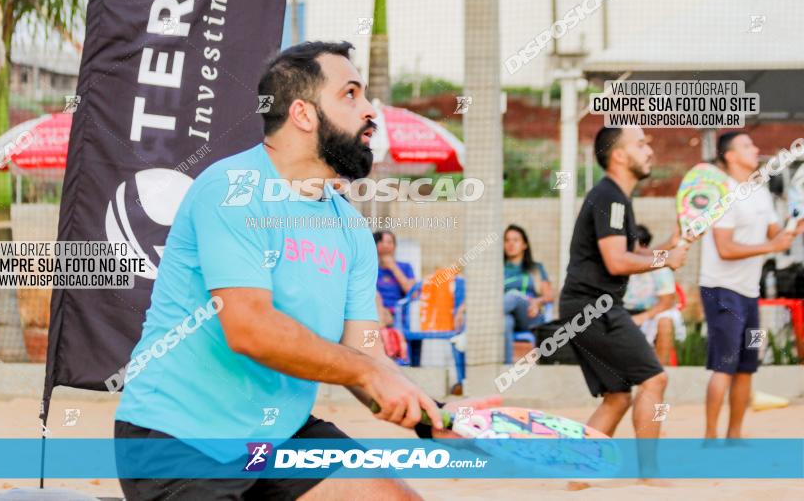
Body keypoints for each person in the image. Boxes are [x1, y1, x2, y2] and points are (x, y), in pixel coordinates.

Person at [113, 41, 493, 500]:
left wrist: (436, 417)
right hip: (181, 440)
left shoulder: (350, 226)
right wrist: (367, 373)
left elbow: (365, 353)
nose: (371, 110)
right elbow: (250, 329)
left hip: (278, 436)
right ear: (303, 114)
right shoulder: (231, 190)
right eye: (351, 94)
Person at [558, 126, 688, 476]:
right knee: (655, 379)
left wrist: (667, 248)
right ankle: (649, 475)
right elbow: (618, 262)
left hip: (584, 307)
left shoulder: (614, 199)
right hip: (592, 307)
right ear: (618, 155)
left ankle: (577, 473)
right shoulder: (610, 197)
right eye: (641, 144)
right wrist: (666, 259)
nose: (650, 150)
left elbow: (629, 254)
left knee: (618, 396)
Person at [699, 132, 802, 439]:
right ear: (729, 156)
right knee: (724, 366)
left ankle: (734, 436)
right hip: (720, 290)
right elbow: (726, 249)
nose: (755, 149)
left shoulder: (759, 192)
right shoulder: (723, 193)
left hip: (749, 292)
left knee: (747, 366)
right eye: (747, 145)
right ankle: (709, 438)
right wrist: (772, 246)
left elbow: (778, 234)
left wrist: (797, 224)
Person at [623, 224, 686, 365]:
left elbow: (667, 301)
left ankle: (660, 370)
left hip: (651, 313)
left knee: (665, 322)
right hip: (623, 311)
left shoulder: (659, 261)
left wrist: (642, 317)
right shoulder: (618, 260)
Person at [502, 224, 553, 363]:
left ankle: (476, 324)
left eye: (515, 240)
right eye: (507, 240)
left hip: (530, 314)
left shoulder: (536, 268)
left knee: (512, 296)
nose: (510, 244)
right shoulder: (498, 269)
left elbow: (549, 296)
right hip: (506, 314)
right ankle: (505, 368)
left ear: (524, 244)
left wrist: (538, 301)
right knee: (505, 322)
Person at [374, 230, 421, 364]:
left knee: (373, 321)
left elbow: (413, 293)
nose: (385, 245)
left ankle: (374, 349)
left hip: (396, 314)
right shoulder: (371, 269)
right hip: (376, 312)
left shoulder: (405, 267)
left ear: (394, 246)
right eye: (381, 241)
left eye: (389, 242)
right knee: (374, 297)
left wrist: (393, 267)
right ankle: (380, 339)